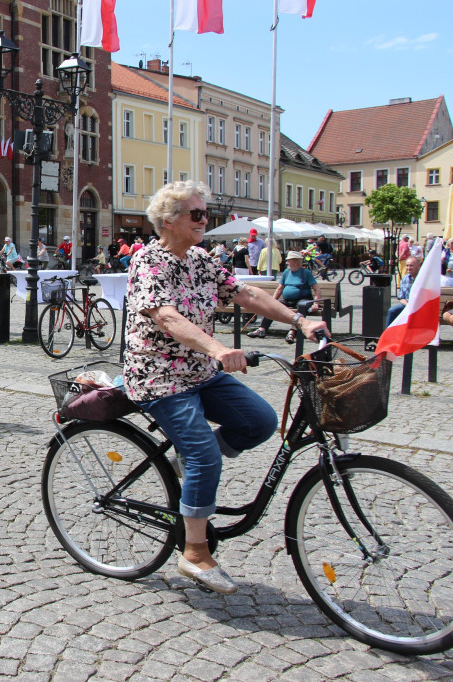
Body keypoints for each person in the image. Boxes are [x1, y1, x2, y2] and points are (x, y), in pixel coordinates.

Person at [123, 180, 329, 594]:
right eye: (196, 214)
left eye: (206, 212)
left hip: (200, 370)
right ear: (169, 221)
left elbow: (246, 293)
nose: (205, 220)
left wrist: (299, 321)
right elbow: (167, 318)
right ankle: (194, 552)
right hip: (159, 375)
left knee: (260, 422)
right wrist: (218, 348)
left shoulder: (200, 259)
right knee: (203, 456)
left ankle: (191, 465)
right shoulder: (148, 261)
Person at [247, 251, 322, 342]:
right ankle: (262, 329)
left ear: (295, 261)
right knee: (273, 306)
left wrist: (316, 303)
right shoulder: (286, 272)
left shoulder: (305, 273)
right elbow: (280, 288)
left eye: (288, 260)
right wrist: (271, 301)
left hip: (303, 299)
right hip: (288, 300)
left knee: (301, 306)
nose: (286, 262)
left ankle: (292, 331)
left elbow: (317, 289)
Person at [386, 256, 420, 327]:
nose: (408, 268)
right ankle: (388, 336)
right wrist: (408, 305)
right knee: (392, 311)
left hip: (420, 306)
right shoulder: (405, 279)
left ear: (418, 266)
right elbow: (401, 298)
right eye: (407, 265)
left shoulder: (423, 278)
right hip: (407, 305)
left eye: (411, 265)